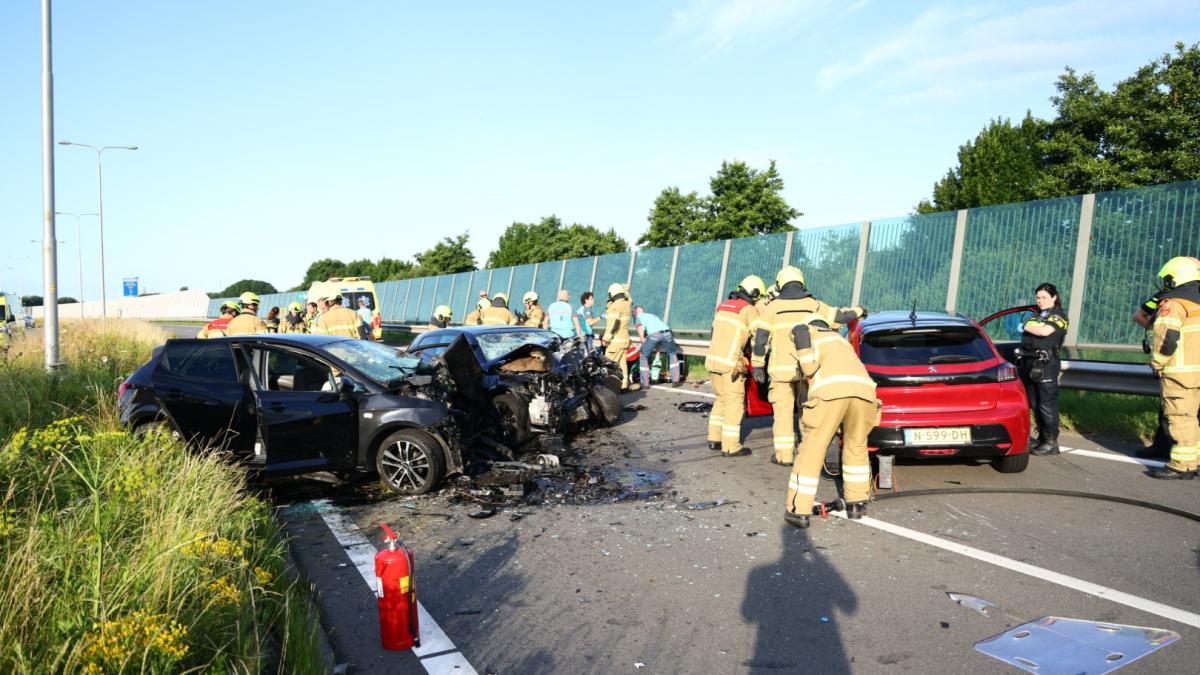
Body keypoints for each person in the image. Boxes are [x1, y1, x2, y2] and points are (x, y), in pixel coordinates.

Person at [751, 266, 865, 467]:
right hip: (808, 369)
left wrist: (757, 365)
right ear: (802, 282)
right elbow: (839, 317)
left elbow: (761, 339)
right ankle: (808, 451)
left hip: (781, 372)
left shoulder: (772, 308)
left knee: (783, 412)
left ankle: (784, 455)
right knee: (808, 410)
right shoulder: (814, 304)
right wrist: (859, 310)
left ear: (780, 285)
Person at [783, 316, 880, 528]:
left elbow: (808, 366)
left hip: (831, 393)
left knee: (812, 450)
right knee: (856, 447)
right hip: (865, 394)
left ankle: (798, 510)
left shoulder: (805, 330)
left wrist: (807, 370)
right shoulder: (839, 340)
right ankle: (857, 503)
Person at [1147, 256, 1200, 480]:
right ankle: (1194, 460)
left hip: (1180, 374)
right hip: (1196, 372)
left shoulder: (1174, 304)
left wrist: (1157, 362)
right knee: (1193, 417)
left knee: (1180, 417)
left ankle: (1183, 465)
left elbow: (1167, 338)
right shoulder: (1196, 303)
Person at [704, 275, 766, 456]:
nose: (757, 300)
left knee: (720, 399)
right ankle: (731, 446)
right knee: (734, 403)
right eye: (757, 297)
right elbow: (759, 336)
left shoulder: (722, 306)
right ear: (754, 293)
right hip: (732, 364)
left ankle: (714, 438)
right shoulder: (748, 309)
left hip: (713, 360)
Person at [1019, 283, 1069, 456]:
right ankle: (1041, 437)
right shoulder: (1036, 314)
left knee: (1047, 403)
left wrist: (1024, 326)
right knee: (1034, 402)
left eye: (1044, 298)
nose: (1040, 301)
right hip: (1030, 361)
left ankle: (1051, 442)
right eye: (1038, 297)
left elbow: (1045, 332)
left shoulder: (1058, 315)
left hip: (1046, 363)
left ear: (1054, 297)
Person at [635, 306, 682, 388]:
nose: (633, 313)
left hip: (654, 335)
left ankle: (645, 383)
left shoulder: (638, 317)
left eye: (633, 312)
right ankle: (676, 381)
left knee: (643, 356)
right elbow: (659, 338)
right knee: (672, 353)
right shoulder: (652, 315)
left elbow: (642, 336)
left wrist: (645, 344)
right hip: (667, 333)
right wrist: (657, 352)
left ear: (637, 311)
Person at [601, 283, 635, 391]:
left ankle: (609, 389)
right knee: (622, 363)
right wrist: (626, 290)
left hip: (615, 342)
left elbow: (613, 324)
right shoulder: (627, 304)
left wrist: (606, 338)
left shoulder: (614, 307)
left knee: (608, 365)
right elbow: (630, 299)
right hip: (625, 340)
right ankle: (624, 385)